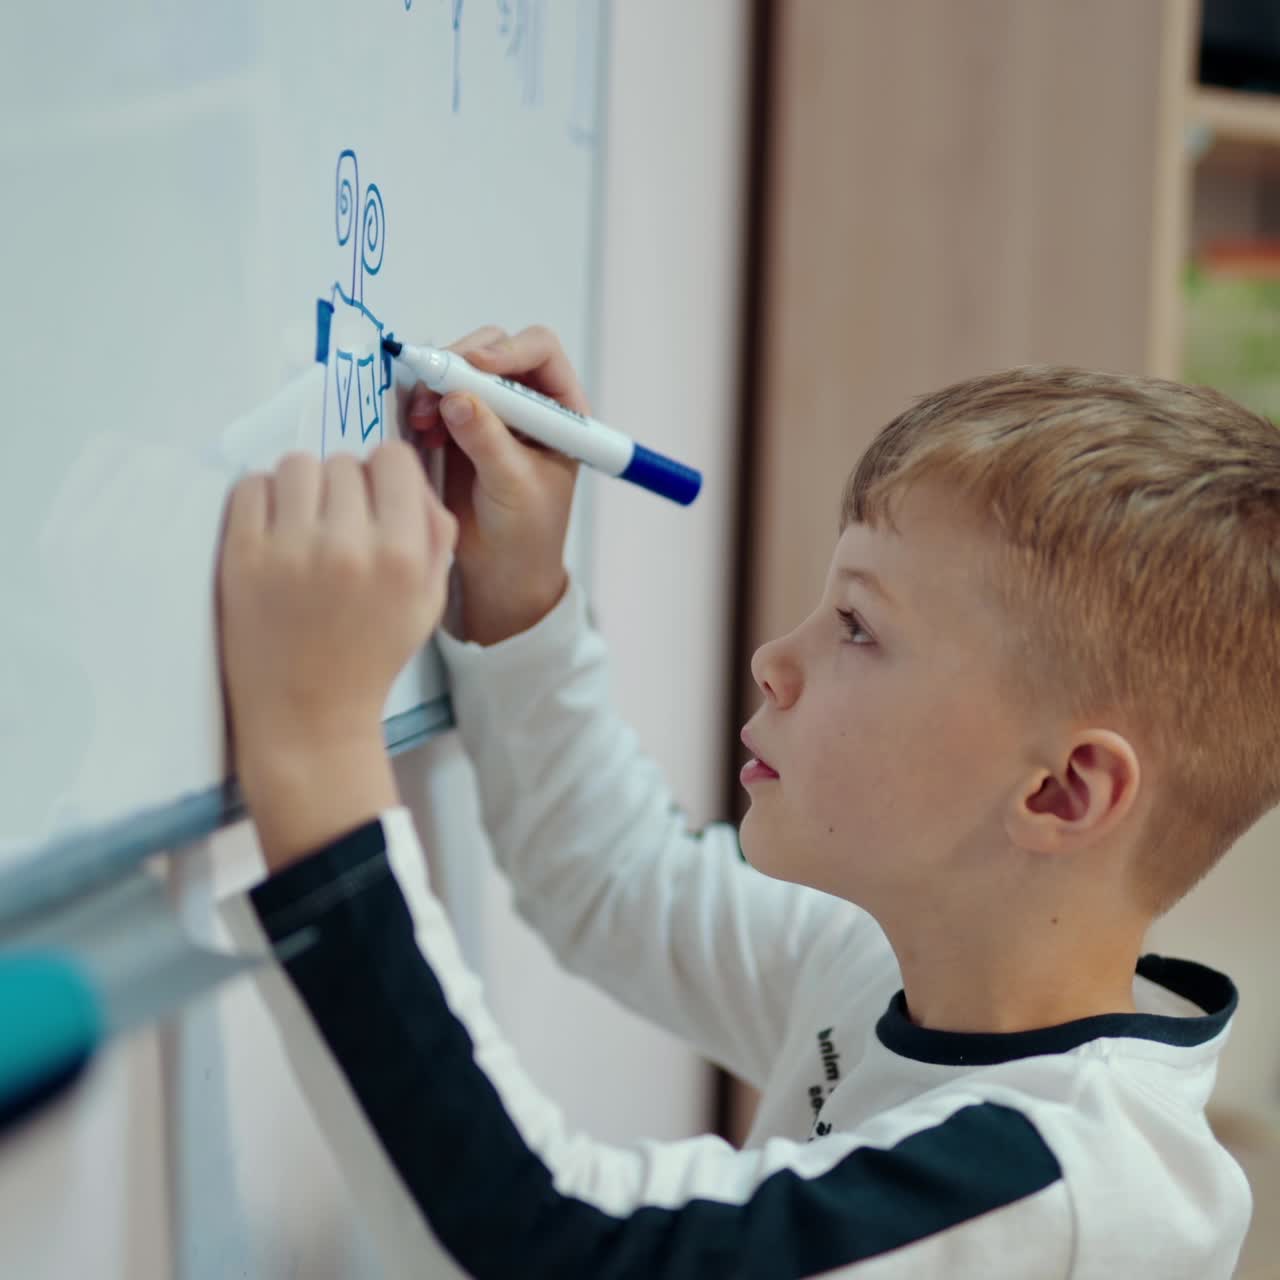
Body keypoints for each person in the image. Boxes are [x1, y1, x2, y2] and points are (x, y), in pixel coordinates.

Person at [215, 324, 1279, 1278]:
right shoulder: (898, 963)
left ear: (1059, 790)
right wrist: (517, 594)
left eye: (857, 626)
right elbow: (615, 880)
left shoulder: (1072, 1193)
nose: (776, 658)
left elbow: (543, 1244)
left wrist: (313, 744)